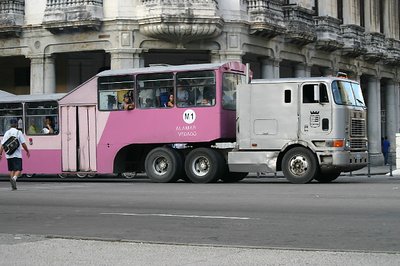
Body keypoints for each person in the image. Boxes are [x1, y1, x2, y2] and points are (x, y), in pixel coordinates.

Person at [0, 118, 30, 190]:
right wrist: (27, 151)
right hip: (17, 155)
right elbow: (23, 143)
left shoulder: (6, 133)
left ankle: (13, 185)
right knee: (19, 169)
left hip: (8, 155)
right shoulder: (18, 132)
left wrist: (0, 154)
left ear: (10, 124)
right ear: (16, 124)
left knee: (11, 170)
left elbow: (2, 145)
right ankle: (14, 178)